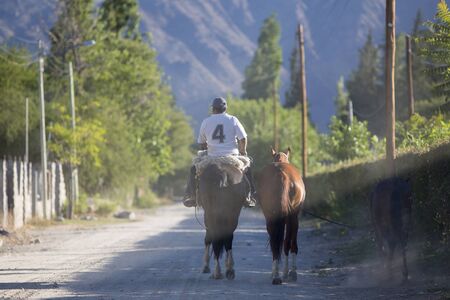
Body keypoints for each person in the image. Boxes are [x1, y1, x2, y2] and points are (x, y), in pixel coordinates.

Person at [183, 97, 256, 208]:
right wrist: (243, 151)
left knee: (193, 169)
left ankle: (192, 196)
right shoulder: (233, 120)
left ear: (213, 109)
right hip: (232, 157)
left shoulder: (206, 121)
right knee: (247, 168)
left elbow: (202, 143)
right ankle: (249, 196)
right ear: (225, 108)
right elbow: (243, 138)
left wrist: (207, 150)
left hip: (212, 157)